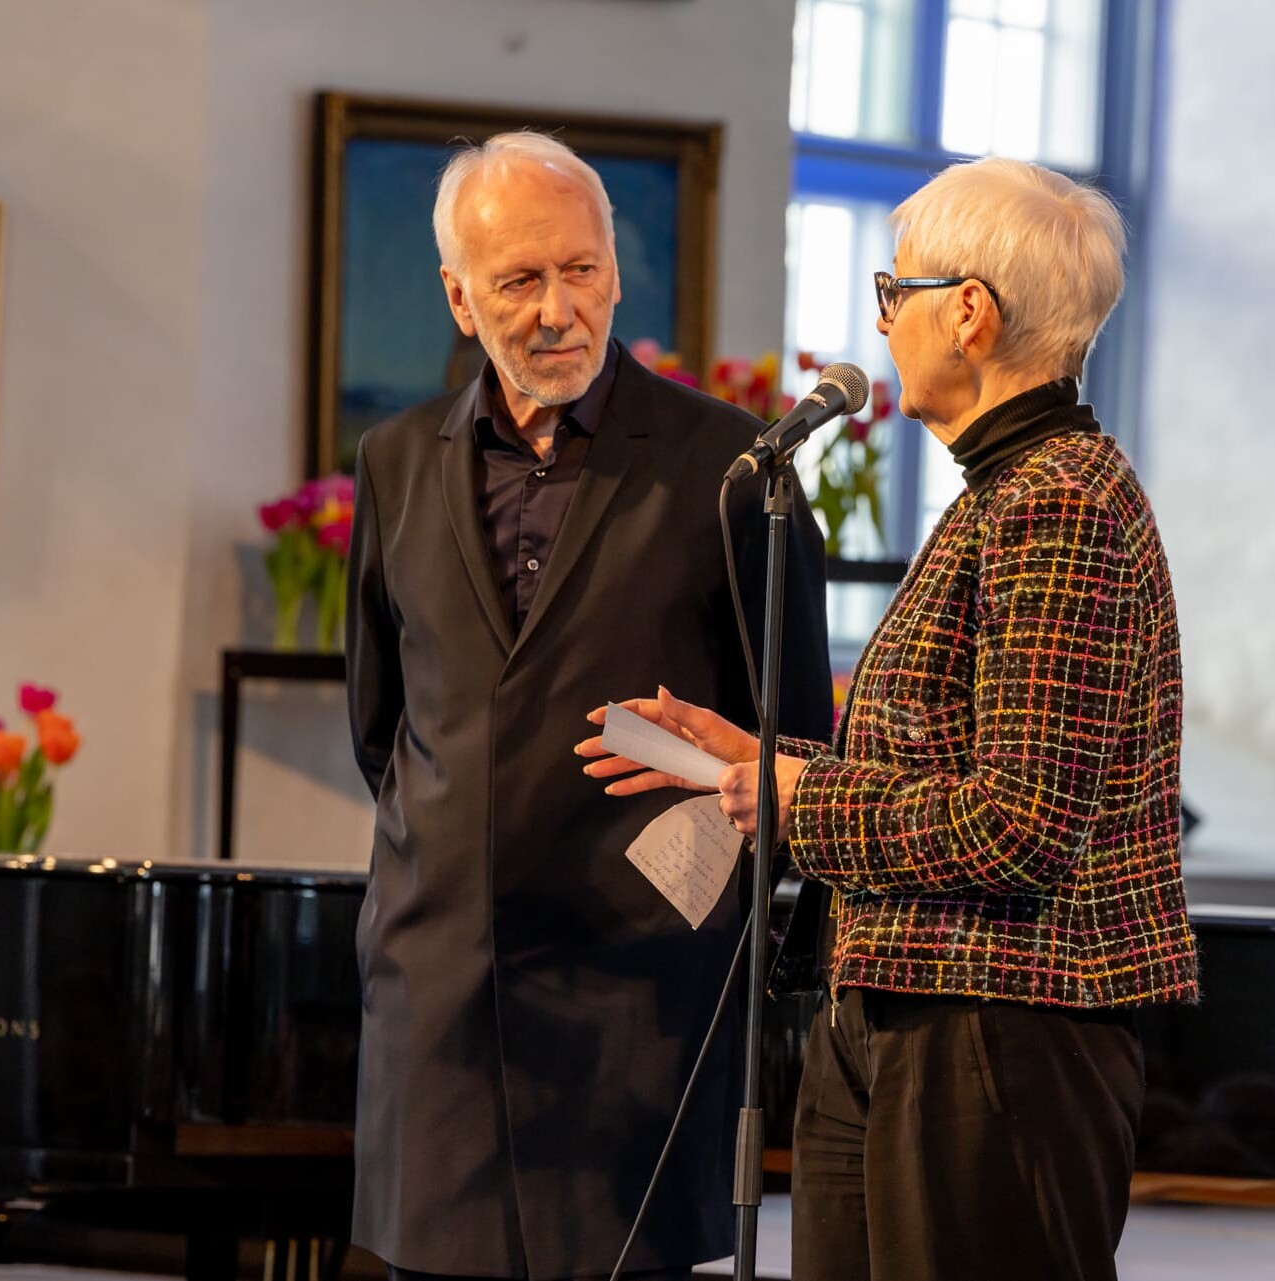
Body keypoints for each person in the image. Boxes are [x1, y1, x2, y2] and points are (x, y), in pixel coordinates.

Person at [577, 156, 1199, 1281]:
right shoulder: (1004, 494)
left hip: (999, 1026)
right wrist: (761, 759)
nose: (880, 319)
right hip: (908, 1007)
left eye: (894, 289)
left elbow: (1018, 826)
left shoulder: (1058, 504)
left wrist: (796, 797)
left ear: (968, 312)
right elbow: (939, 766)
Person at [344, 130, 833, 1281]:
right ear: (460, 298)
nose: (558, 310)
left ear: (615, 274)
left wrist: (695, 890)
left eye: (581, 270)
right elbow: (381, 725)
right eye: (520, 280)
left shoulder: (735, 469)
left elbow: (796, 737)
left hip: (643, 1000)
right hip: (441, 996)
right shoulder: (395, 461)